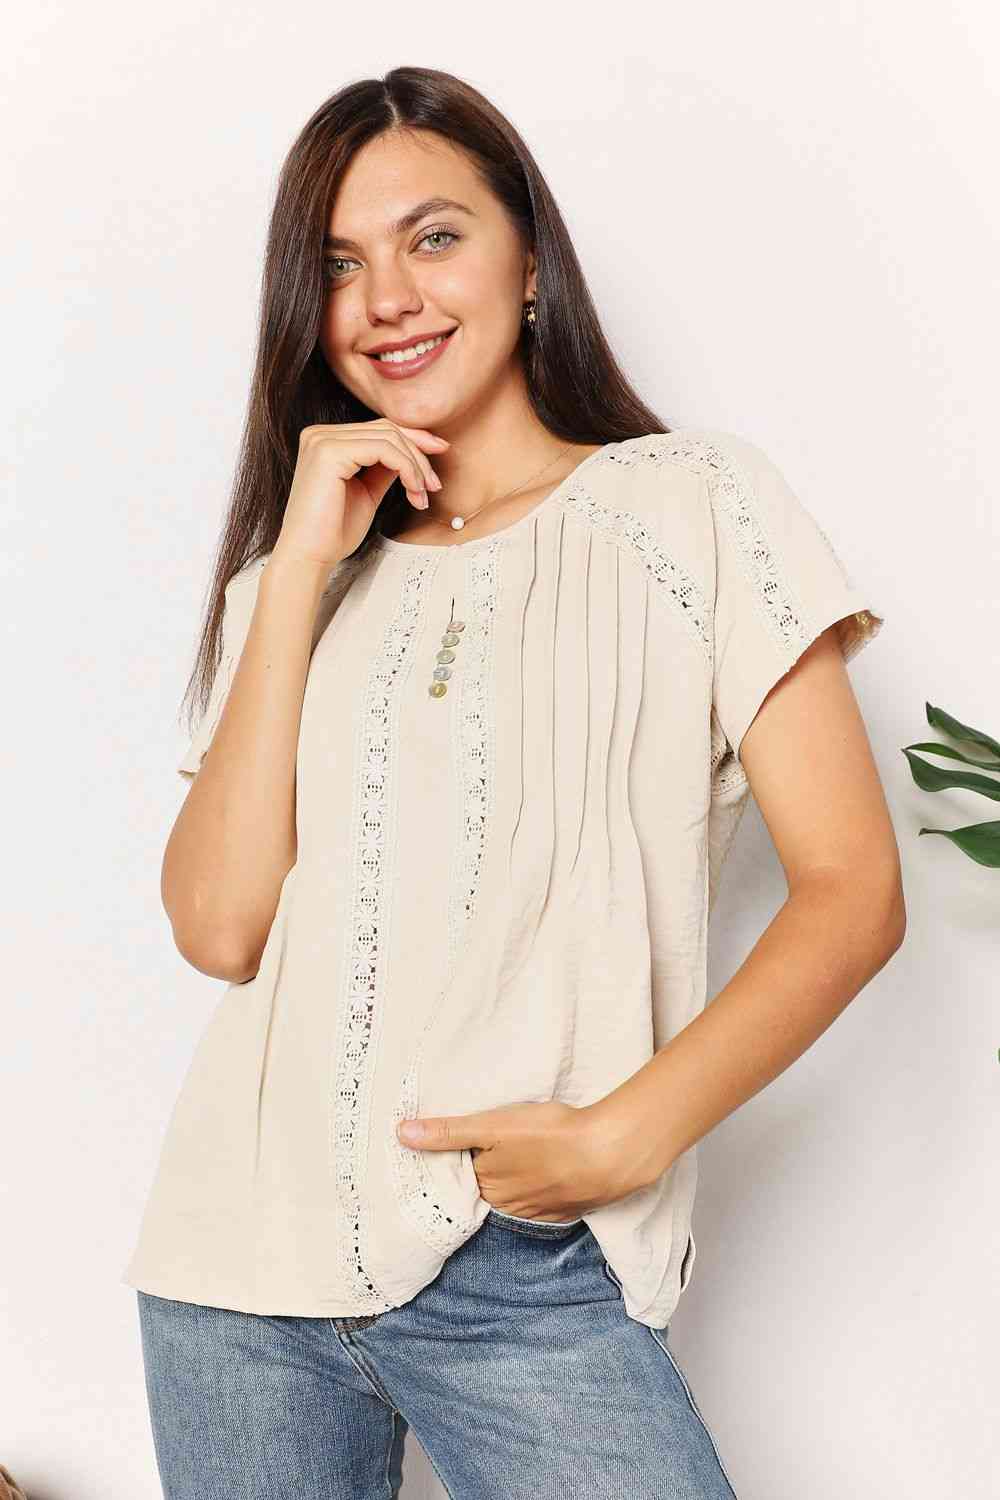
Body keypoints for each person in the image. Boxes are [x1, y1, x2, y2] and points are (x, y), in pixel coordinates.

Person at [123, 65, 903, 1499]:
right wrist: (296, 568)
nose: (386, 299)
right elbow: (220, 928)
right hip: (233, 1270)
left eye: (434, 237)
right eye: (338, 266)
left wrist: (627, 1133)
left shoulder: (694, 504)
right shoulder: (290, 583)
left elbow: (853, 890)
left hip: (527, 1264)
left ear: (531, 259)